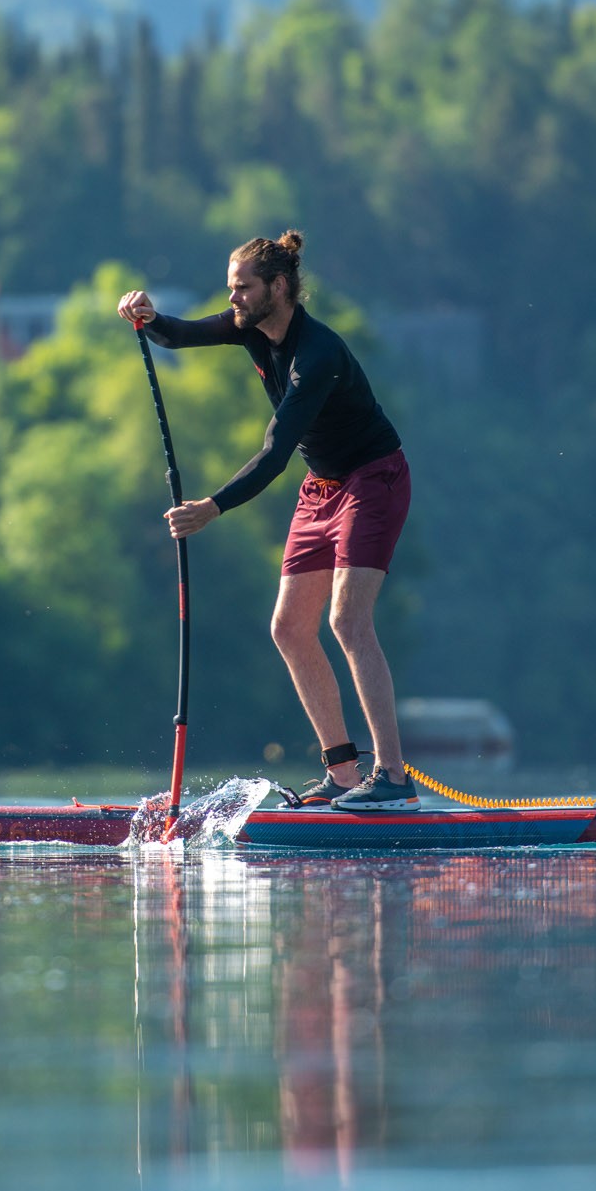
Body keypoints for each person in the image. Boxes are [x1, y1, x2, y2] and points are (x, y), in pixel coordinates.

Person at [117, 231, 418, 811]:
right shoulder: (247, 326)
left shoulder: (318, 354)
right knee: (288, 628)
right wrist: (146, 315)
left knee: (348, 621)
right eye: (231, 290)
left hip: (372, 479)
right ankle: (344, 774)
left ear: (278, 288)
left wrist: (213, 507)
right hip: (321, 487)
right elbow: (177, 335)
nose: (233, 301)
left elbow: (277, 451)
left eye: (242, 289)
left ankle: (394, 779)